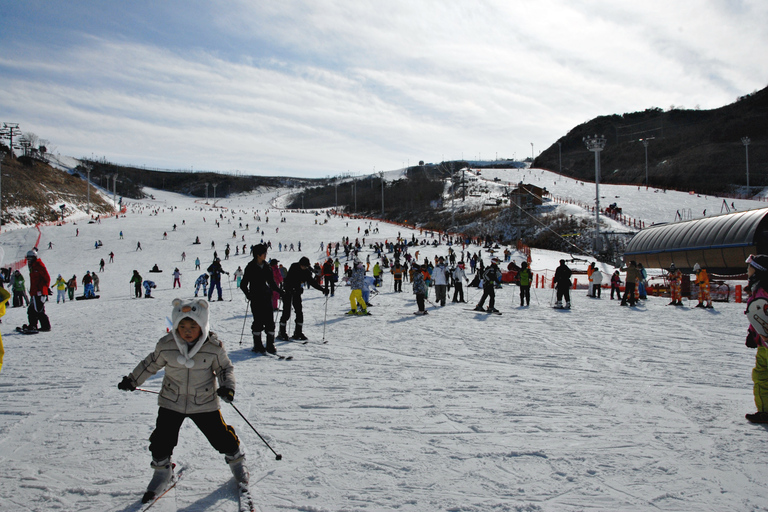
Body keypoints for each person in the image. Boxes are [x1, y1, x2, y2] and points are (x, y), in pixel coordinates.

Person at [117, 298, 248, 503]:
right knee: (161, 439)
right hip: (171, 401)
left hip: (204, 402)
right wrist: (132, 380)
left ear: (202, 325)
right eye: (182, 326)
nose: (187, 330)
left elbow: (224, 369)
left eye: (193, 326)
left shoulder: (213, 347)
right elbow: (150, 364)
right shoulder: (166, 345)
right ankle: (162, 473)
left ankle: (237, 463)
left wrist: (227, 387)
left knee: (220, 437)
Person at [241, 244, 283, 354]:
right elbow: (243, 284)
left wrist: (280, 292)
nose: (265, 255)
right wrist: (248, 294)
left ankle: (270, 344)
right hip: (256, 297)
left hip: (266, 296)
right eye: (264, 253)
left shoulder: (267, 266)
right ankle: (258, 344)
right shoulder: (250, 267)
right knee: (258, 321)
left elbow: (272, 283)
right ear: (258, 255)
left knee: (270, 321)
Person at [277, 257, 328, 341]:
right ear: (300, 264)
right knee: (286, 313)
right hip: (288, 292)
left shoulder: (306, 272)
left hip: (296, 293)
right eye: (304, 266)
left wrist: (322, 289)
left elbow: (312, 282)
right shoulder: (294, 266)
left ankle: (298, 332)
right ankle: (281, 332)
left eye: (306, 266)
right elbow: (289, 279)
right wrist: (290, 288)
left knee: (299, 312)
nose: (305, 268)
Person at [744, 255, 768, 423]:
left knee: (762, 376)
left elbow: (762, 316)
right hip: (762, 344)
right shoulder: (757, 290)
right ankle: (764, 411)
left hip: (765, 343)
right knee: (761, 375)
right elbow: (756, 318)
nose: (747, 271)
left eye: (750, 268)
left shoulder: (762, 292)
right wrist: (752, 334)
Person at [25, 249, 51, 332]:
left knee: (38, 310)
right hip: (34, 292)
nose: (28, 261)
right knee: (32, 310)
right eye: (27, 259)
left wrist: (43, 289)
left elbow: (47, 278)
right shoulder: (32, 267)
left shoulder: (39, 265)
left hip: (39, 292)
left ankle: (45, 326)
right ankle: (33, 325)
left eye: (30, 259)